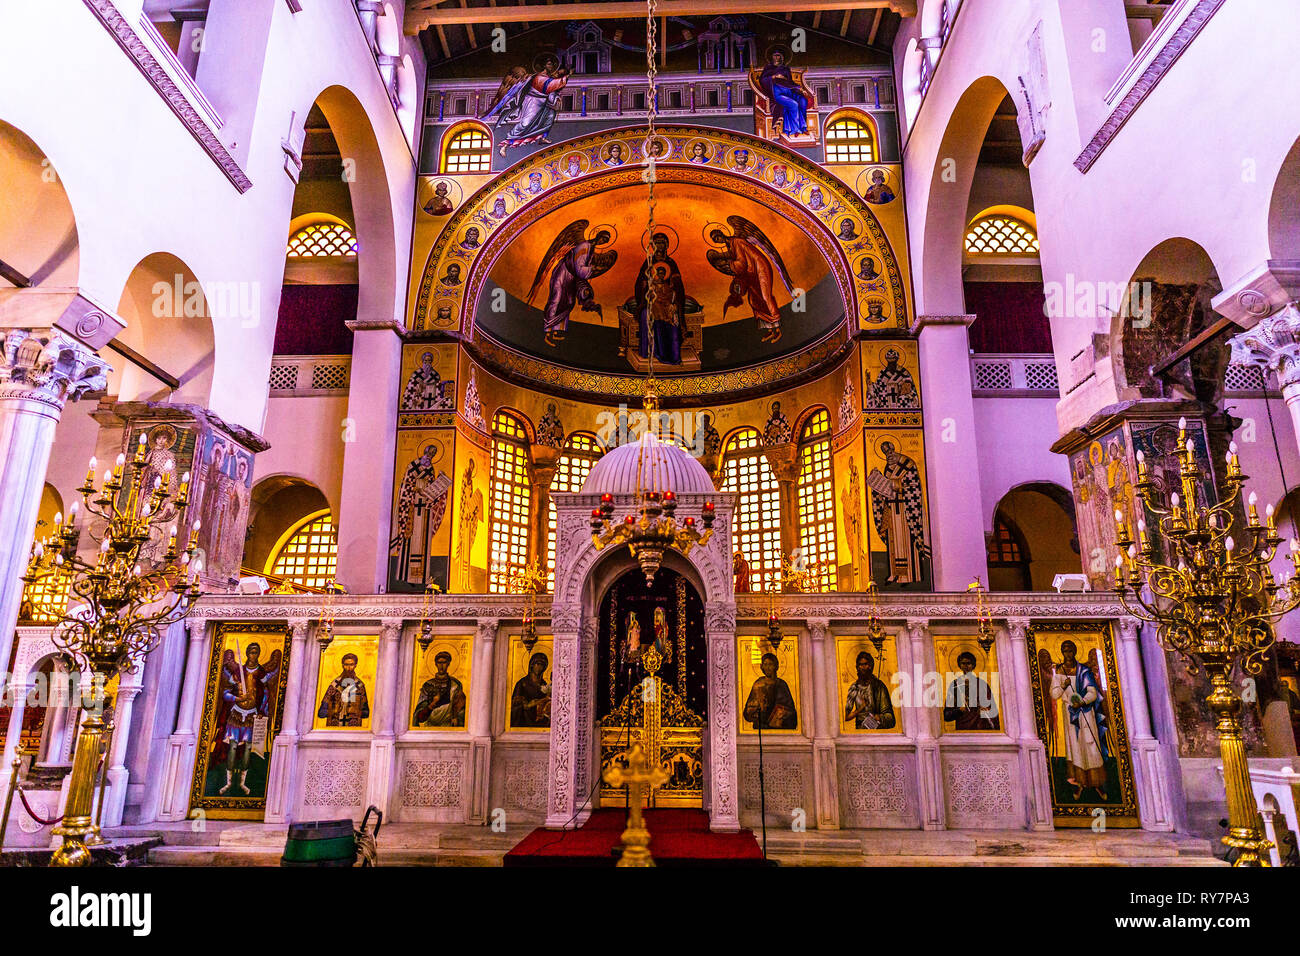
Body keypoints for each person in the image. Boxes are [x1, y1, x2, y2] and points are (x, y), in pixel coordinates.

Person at [215, 642, 281, 795]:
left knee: (248, 748)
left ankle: (243, 783)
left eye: (256, 652)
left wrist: (262, 710)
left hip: (252, 714)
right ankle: (228, 782)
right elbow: (225, 692)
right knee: (232, 746)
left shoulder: (261, 673)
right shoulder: (238, 672)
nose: (253, 655)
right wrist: (237, 699)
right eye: (251, 652)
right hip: (237, 713)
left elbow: (265, 692)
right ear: (246, 653)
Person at [1049, 640, 1109, 800]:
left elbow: (1093, 692)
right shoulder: (1059, 671)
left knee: (1091, 746)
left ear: (1075, 651)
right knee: (1075, 748)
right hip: (1070, 716)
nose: (1067, 653)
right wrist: (1063, 686)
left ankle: (1097, 784)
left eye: (1070, 650)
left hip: (1086, 712)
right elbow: (1054, 695)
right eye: (1064, 650)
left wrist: (1082, 701)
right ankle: (1079, 784)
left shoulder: (1084, 671)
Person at [482, 56, 572, 155]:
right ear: (544, 66)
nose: (551, 67)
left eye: (552, 65)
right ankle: (505, 145)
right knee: (525, 123)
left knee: (550, 115)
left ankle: (542, 137)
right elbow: (549, 86)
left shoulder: (549, 78)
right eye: (549, 64)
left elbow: (551, 90)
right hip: (533, 101)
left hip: (544, 101)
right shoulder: (538, 77)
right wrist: (566, 77)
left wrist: (555, 96)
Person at [868, 440, 927, 584]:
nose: (889, 455)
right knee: (893, 542)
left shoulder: (908, 465)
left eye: (890, 452)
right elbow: (885, 488)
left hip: (906, 510)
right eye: (886, 453)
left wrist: (897, 486)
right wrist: (876, 482)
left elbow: (915, 487)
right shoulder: (888, 468)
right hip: (892, 510)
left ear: (894, 450)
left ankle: (911, 575)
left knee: (906, 543)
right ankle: (894, 573)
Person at [633, 232, 687, 366]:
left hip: (668, 301)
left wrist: (673, 298)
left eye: (662, 242)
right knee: (646, 313)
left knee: (673, 317)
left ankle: (671, 355)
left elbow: (678, 286)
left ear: (667, 245)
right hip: (651, 300)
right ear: (653, 245)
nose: (660, 245)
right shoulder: (648, 261)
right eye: (657, 243)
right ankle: (650, 352)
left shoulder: (671, 263)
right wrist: (646, 289)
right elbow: (641, 282)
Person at [758, 48, 809, 138]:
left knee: (802, 101)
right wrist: (774, 76)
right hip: (776, 92)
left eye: (779, 56)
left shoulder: (785, 69)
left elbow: (790, 82)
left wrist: (800, 89)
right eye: (775, 55)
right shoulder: (768, 68)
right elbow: (762, 80)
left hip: (788, 90)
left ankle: (803, 128)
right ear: (772, 57)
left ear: (782, 57)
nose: (777, 58)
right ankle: (795, 130)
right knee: (793, 104)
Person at [942, 651, 999, 730]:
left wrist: (986, 710)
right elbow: (947, 715)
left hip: (980, 726)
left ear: (973, 665)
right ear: (959, 665)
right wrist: (959, 710)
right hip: (963, 728)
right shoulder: (955, 685)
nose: (966, 666)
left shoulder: (982, 684)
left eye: (969, 663)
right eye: (963, 663)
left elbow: (993, 710)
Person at [743, 653, 797, 730]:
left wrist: (781, 713)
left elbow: (790, 710)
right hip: (760, 727)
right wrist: (752, 710)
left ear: (776, 666)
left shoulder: (781, 684)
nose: (767, 667)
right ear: (761, 667)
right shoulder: (758, 684)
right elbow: (748, 711)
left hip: (776, 727)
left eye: (770, 664)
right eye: (765, 664)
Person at [844, 651, 895, 729]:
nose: (863, 667)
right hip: (860, 731)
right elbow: (846, 717)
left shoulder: (879, 686)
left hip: (876, 729)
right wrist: (860, 709)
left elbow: (890, 718)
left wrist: (880, 717)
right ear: (857, 667)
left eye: (865, 664)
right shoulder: (854, 687)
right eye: (860, 665)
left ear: (871, 666)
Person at [413, 651, 466, 726]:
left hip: (448, 724)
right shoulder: (428, 685)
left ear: (448, 664)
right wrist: (431, 705)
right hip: (429, 725)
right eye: (439, 663)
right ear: (435, 664)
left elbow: (461, 708)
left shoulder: (455, 685)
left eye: (444, 663)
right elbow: (419, 716)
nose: (441, 666)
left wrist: (455, 716)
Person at [317, 653, 370, 728]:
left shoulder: (359, 686)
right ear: (342, 665)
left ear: (355, 665)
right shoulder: (334, 685)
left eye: (351, 664)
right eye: (346, 664)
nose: (348, 668)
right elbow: (322, 712)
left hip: (353, 727)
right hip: (335, 725)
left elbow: (365, 712)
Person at [510, 652, 552, 727]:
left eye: (542, 665)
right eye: (537, 664)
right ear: (532, 665)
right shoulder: (522, 683)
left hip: (541, 718)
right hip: (525, 718)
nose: (539, 667)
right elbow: (515, 704)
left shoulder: (544, 685)